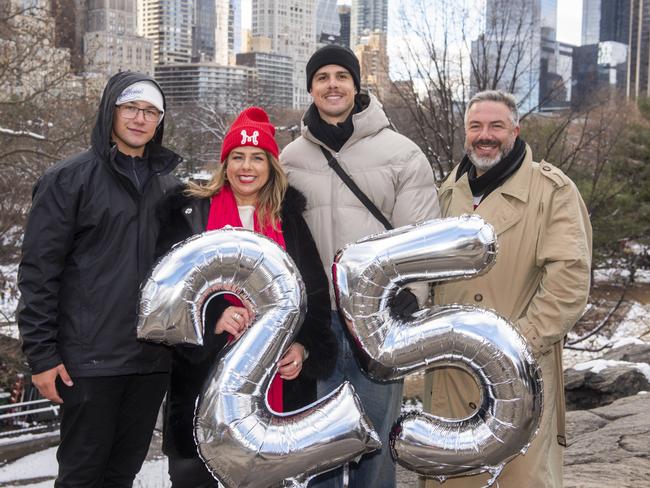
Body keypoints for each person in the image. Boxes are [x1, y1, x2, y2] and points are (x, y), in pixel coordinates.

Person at [281, 44, 440, 488]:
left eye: (341, 76)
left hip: (378, 318)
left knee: (374, 438)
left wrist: (412, 299)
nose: (332, 84)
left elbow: (420, 236)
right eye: (322, 77)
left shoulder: (402, 153)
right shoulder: (290, 159)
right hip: (316, 324)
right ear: (311, 88)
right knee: (322, 443)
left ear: (356, 84)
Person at [17, 71, 183, 487]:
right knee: (81, 475)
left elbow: (184, 272)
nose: (140, 119)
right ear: (111, 110)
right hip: (88, 361)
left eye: (151, 111)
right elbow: (39, 273)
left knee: (122, 474)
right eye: (131, 107)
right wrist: (42, 356)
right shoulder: (68, 180)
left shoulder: (171, 188)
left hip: (151, 361)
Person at [157, 107, 337, 488]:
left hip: (277, 392)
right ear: (225, 162)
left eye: (257, 158)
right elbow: (166, 291)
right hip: (201, 386)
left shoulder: (289, 219)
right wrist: (214, 315)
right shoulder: (190, 213)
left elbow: (316, 296)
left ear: (272, 165)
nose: (247, 167)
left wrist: (304, 348)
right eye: (237, 156)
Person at [421, 90, 592, 488]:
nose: (485, 135)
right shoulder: (449, 191)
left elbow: (569, 282)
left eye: (496, 126)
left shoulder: (553, 190)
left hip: (519, 373)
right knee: (455, 478)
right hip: (452, 373)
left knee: (521, 479)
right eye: (476, 126)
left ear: (515, 130)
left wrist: (517, 346)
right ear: (465, 134)